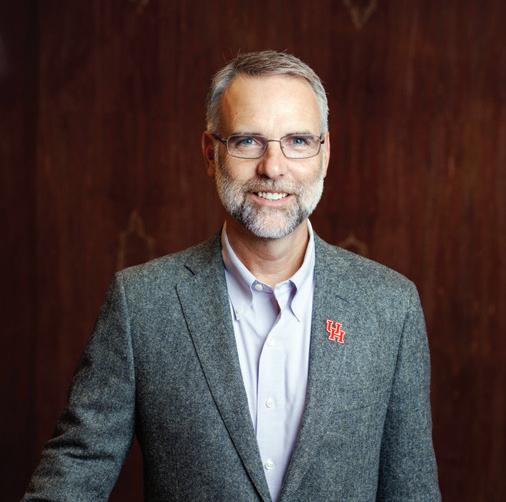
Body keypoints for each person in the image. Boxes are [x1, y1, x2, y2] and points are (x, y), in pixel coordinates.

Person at [24, 50, 440, 501]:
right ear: (210, 153)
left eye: (298, 140)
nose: (273, 167)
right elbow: (77, 468)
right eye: (247, 141)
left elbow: (412, 489)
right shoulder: (141, 305)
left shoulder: (390, 307)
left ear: (325, 154)